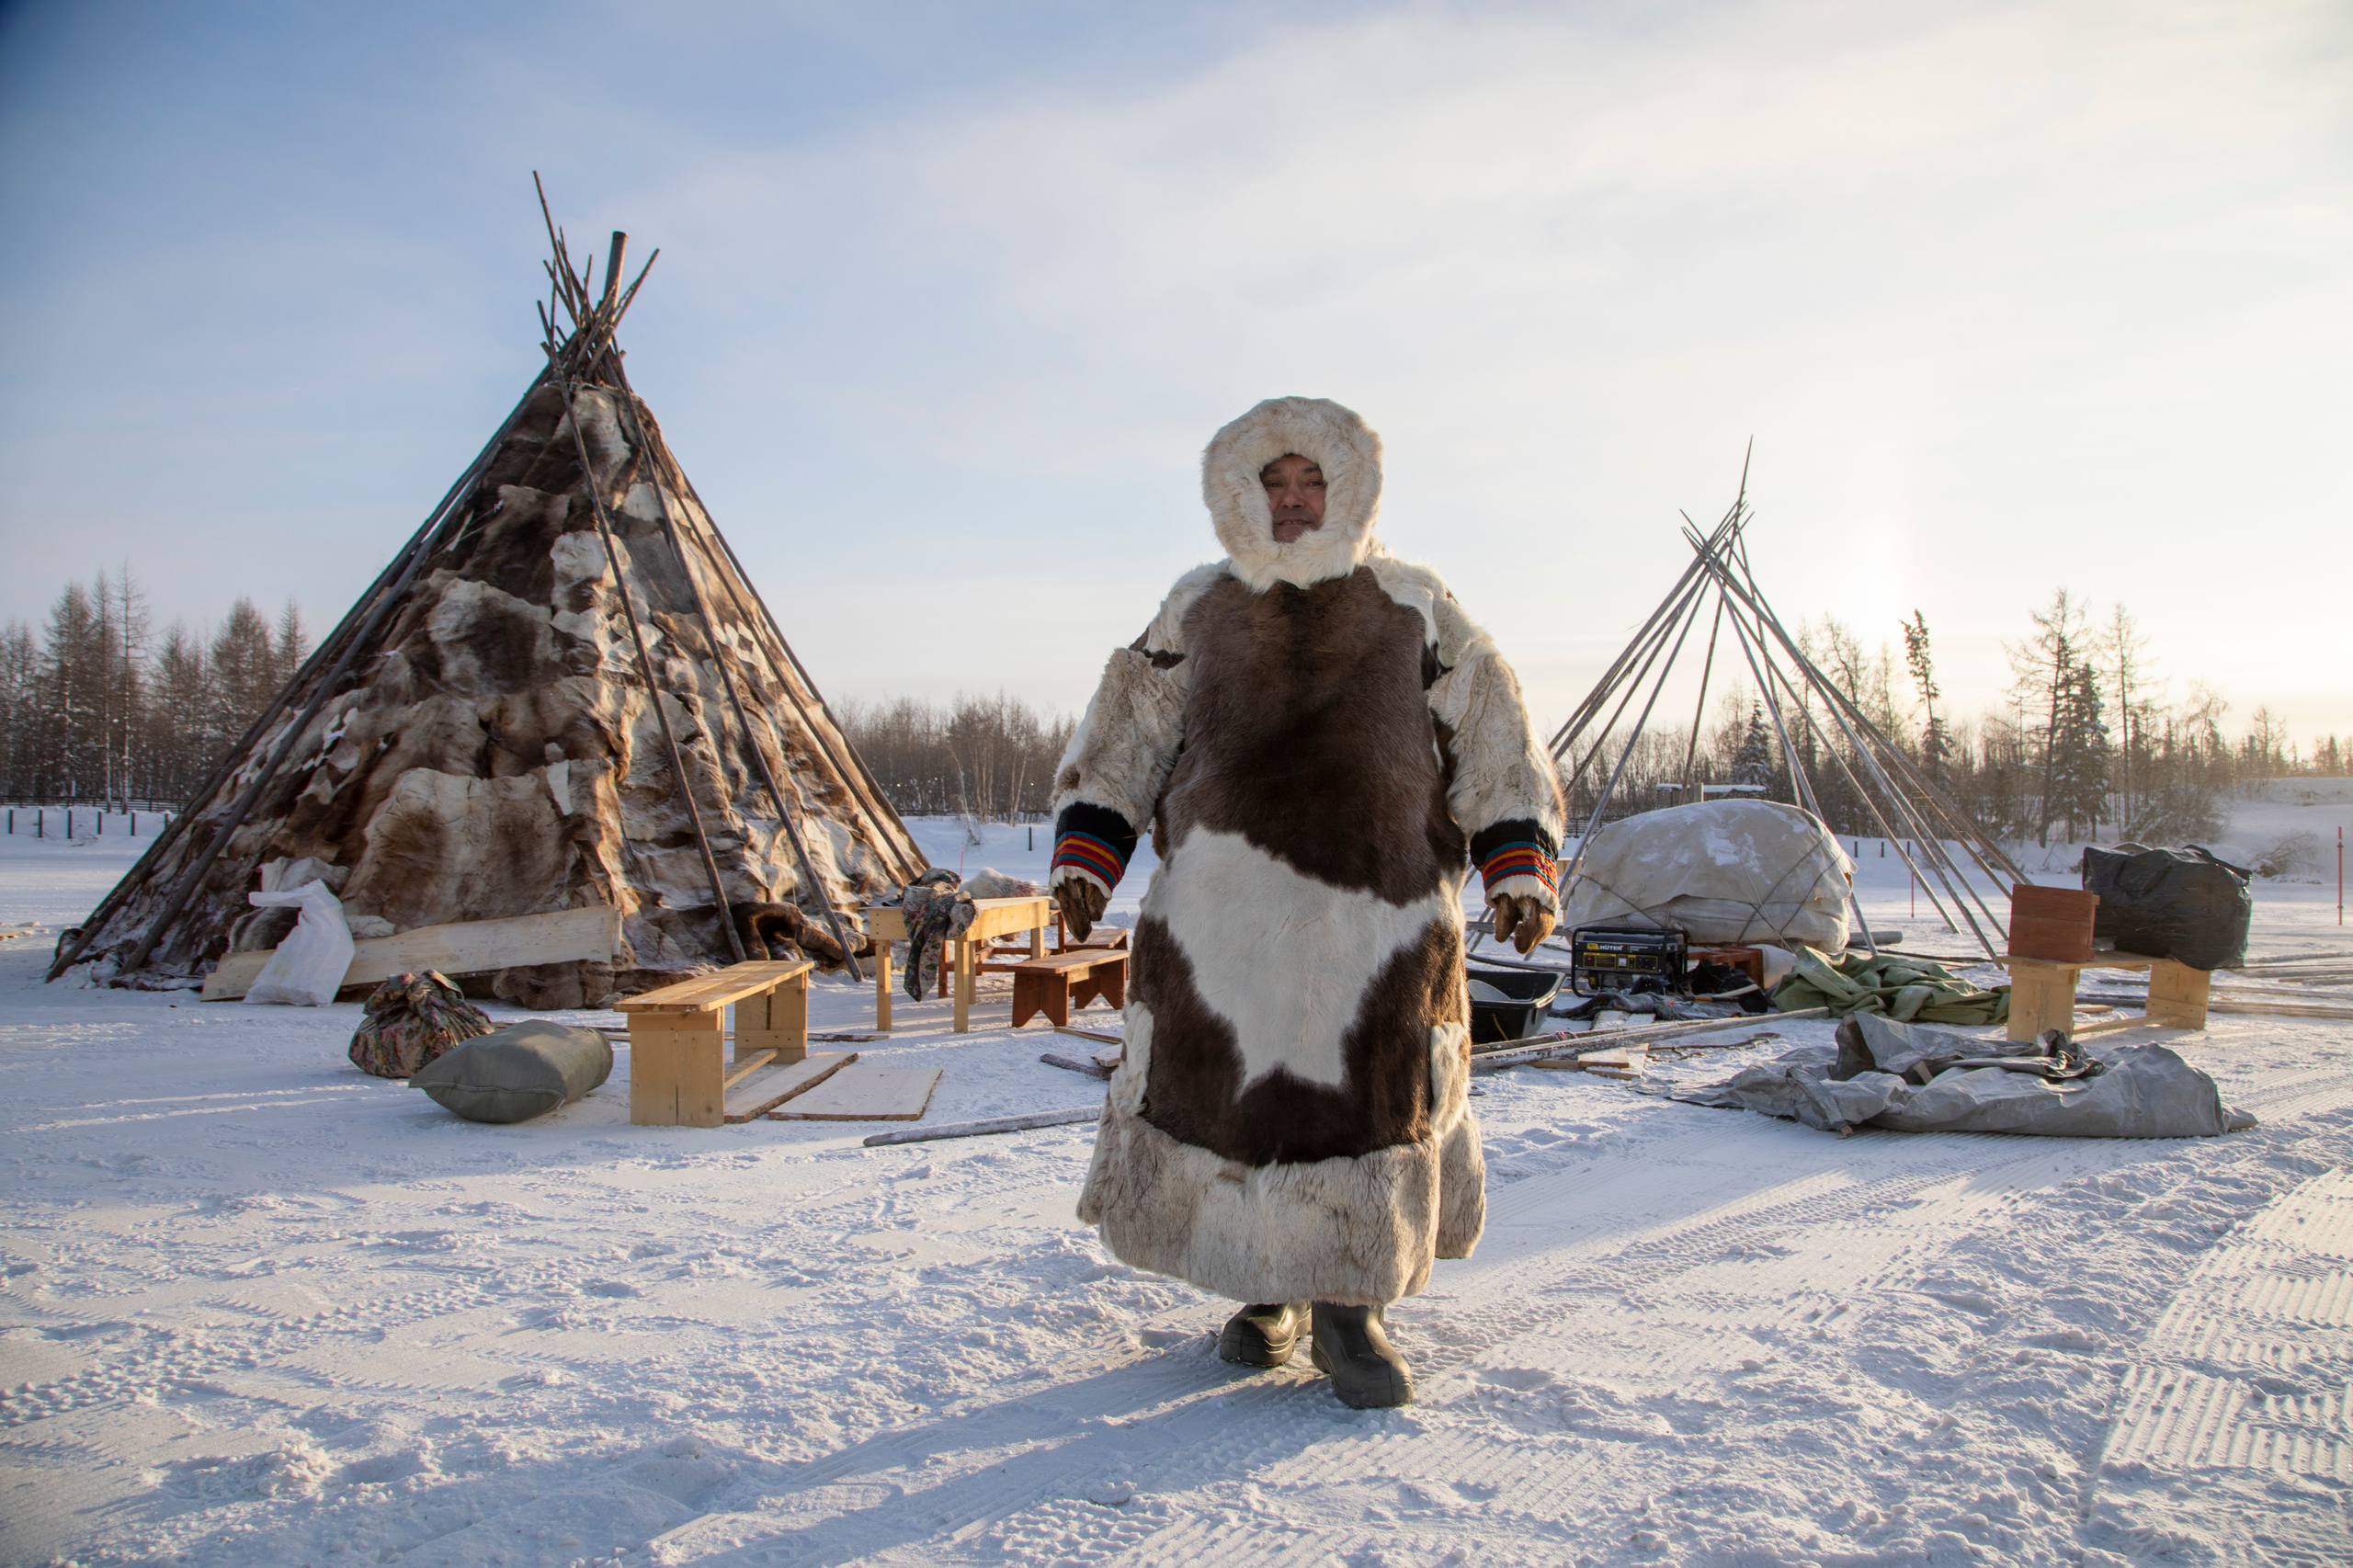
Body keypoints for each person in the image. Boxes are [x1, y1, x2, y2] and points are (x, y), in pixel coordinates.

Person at [1049, 395, 1564, 1408]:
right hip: (1217, 919)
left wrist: (1515, 856)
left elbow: (1494, 729)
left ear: (1350, 489)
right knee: (1228, 1090)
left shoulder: (1412, 603)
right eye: (1271, 482)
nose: (1290, 501)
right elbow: (1126, 731)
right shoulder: (1196, 606)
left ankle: (1348, 1302)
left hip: (1376, 917)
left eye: (1309, 481)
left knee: (1363, 1091)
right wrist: (1086, 849)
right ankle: (1263, 1286)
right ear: (1237, 492)